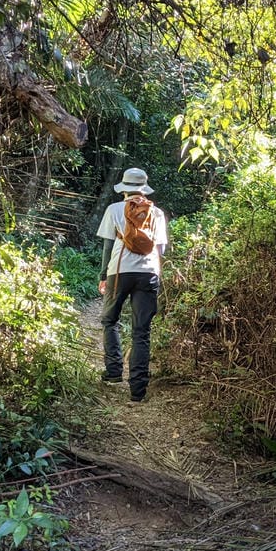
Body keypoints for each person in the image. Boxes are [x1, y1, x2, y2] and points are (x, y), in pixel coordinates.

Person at [96, 167, 168, 402]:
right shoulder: (156, 213)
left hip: (119, 271)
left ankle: (114, 372)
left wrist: (103, 276)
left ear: (123, 189)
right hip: (148, 273)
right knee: (141, 331)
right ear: (144, 188)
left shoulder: (114, 209)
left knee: (110, 320)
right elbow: (160, 249)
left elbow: (108, 247)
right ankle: (138, 390)